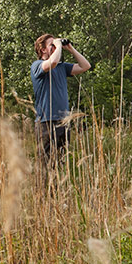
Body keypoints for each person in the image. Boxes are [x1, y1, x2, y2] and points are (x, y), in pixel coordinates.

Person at [31, 33, 91, 167]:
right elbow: (51, 63)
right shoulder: (37, 65)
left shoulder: (62, 67)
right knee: (46, 165)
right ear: (43, 49)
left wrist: (70, 49)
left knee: (60, 163)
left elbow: (85, 66)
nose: (55, 47)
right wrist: (58, 45)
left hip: (63, 121)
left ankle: (58, 188)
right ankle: (45, 188)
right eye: (51, 45)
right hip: (46, 122)